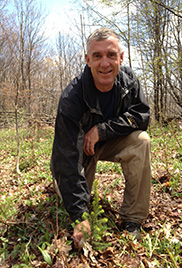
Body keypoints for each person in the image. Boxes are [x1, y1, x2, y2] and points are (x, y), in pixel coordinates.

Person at [51, 27, 151, 249]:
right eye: (97, 56)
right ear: (87, 60)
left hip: (109, 142)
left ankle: (132, 219)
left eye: (111, 55)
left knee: (141, 140)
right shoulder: (72, 97)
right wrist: (80, 216)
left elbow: (142, 116)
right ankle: (67, 193)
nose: (105, 63)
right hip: (80, 152)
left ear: (121, 57)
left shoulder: (130, 81)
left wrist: (102, 130)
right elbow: (66, 155)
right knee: (66, 194)